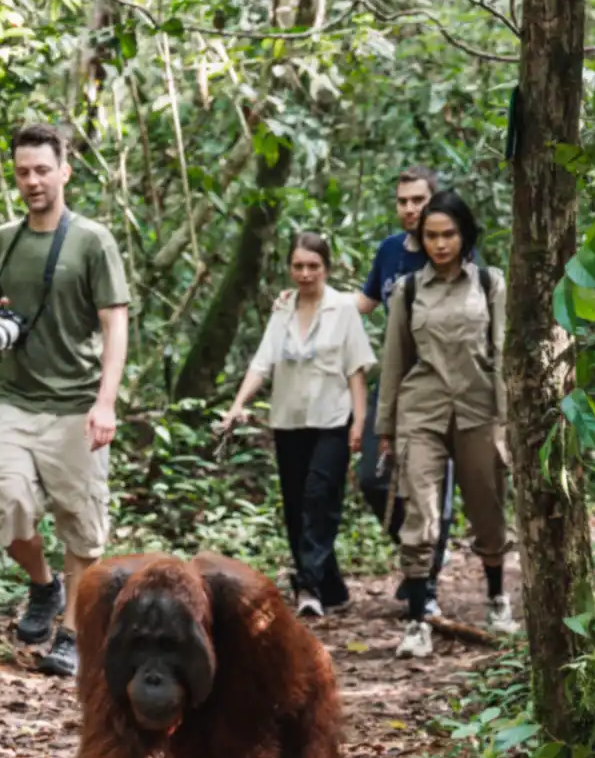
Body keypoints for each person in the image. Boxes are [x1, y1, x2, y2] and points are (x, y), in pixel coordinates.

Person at [0, 123, 130, 678]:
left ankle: (72, 633)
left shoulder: (92, 241)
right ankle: (44, 586)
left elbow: (115, 322)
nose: (32, 181)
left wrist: (105, 402)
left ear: (65, 170)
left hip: (75, 404)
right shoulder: (5, 240)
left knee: (81, 524)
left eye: (42, 170)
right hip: (15, 400)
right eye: (22, 172)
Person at [375, 190, 517, 660]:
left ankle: (497, 599)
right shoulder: (409, 290)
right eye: (431, 236)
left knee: (488, 508)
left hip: (479, 410)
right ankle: (417, 621)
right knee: (421, 514)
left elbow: (503, 355)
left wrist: (505, 421)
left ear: (465, 234)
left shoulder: (489, 283)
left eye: (448, 234)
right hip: (422, 410)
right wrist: (386, 428)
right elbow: (394, 361)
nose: (439, 244)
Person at [216, 233, 373, 618]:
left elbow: (356, 371)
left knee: (321, 497)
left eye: (313, 266)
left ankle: (308, 584)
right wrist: (237, 406)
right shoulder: (282, 309)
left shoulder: (343, 309)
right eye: (298, 266)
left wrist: (360, 423)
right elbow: (261, 363)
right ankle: (331, 586)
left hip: (332, 419)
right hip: (288, 421)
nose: (305, 274)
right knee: (297, 505)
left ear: (327, 268)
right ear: (290, 268)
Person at [355, 166, 457, 617]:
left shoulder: (452, 250)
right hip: (395, 381)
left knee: (435, 486)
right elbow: (364, 303)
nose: (410, 208)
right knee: (372, 479)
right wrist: (309, 299)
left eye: (418, 200)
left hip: (444, 382)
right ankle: (420, 549)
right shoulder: (390, 251)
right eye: (403, 201)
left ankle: (425, 584)